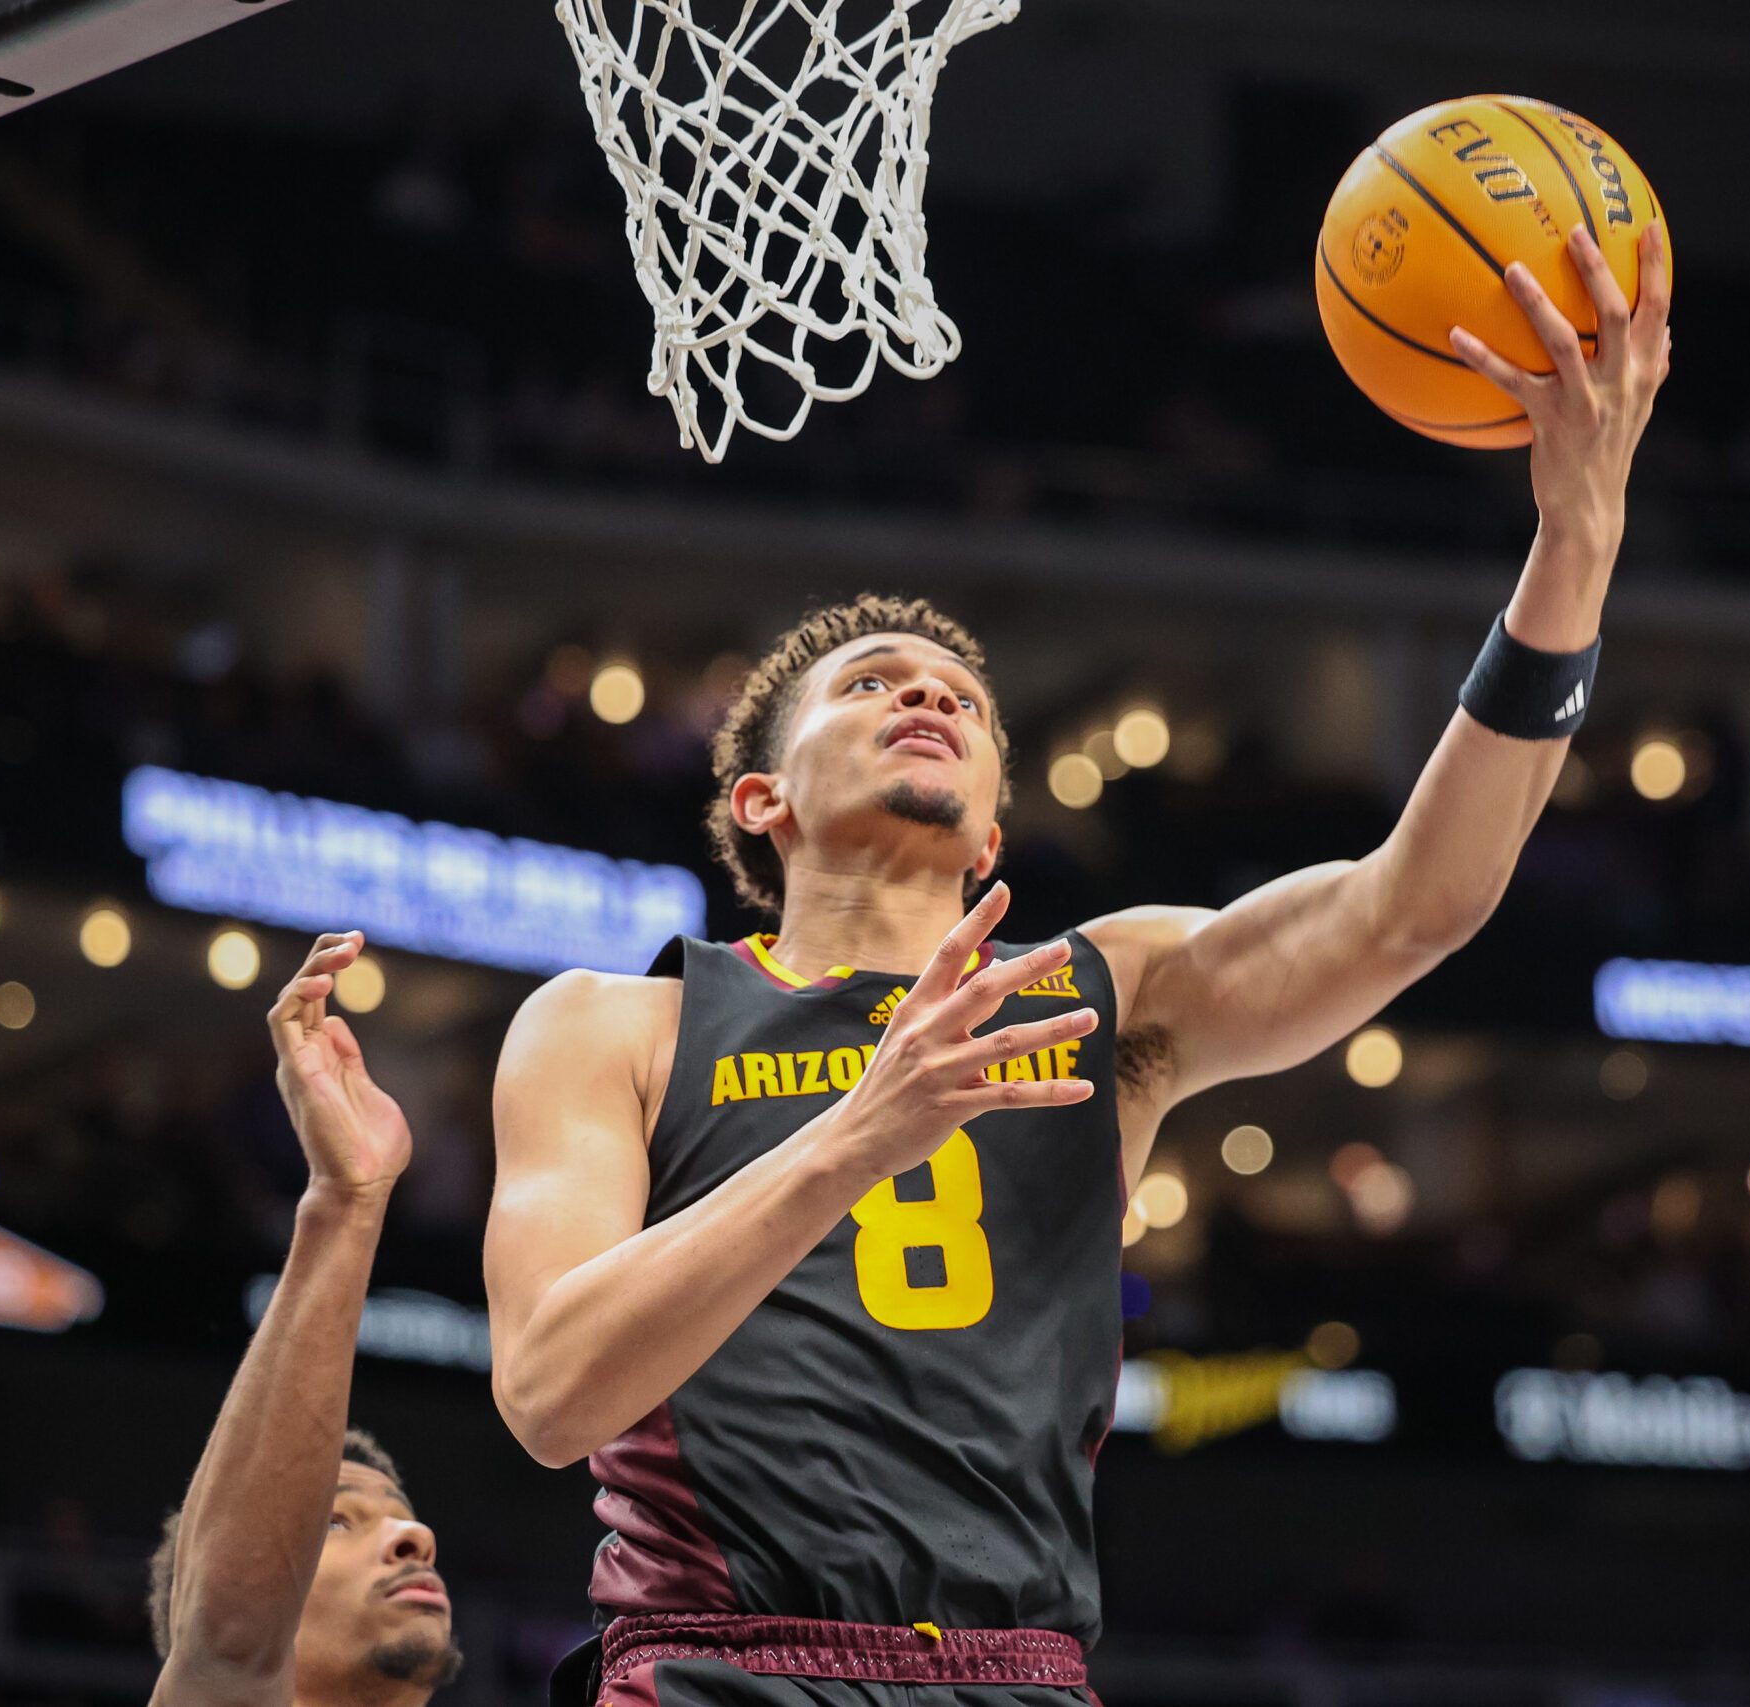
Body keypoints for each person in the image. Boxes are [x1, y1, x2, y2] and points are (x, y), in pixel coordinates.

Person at [485, 225, 1673, 1706]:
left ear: (990, 832)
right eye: (870, 686)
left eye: (964, 702)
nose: (927, 689)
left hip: (1019, 1672)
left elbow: (1413, 905)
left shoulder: (1114, 992)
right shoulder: (618, 1023)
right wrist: (866, 1124)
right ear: (760, 800)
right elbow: (547, 1393)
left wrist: (1575, 544)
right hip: (727, 1667)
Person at [147, 933, 462, 1707]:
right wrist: (346, 1199)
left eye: (400, 1518)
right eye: (337, 1523)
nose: (413, 1539)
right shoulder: (218, 1662)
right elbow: (228, 1633)